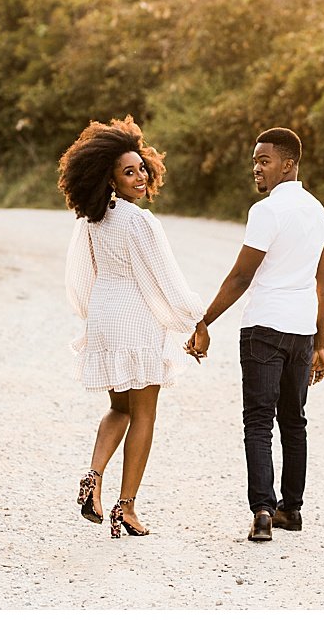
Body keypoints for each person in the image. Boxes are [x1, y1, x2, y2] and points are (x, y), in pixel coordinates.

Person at [60, 116, 207, 540]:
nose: (140, 176)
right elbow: (164, 277)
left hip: (105, 316)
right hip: (135, 319)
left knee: (119, 408)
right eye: (129, 172)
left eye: (140, 167)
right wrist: (194, 320)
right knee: (144, 414)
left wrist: (95, 318)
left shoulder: (93, 220)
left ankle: (94, 475)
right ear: (109, 178)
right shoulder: (139, 222)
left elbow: (82, 276)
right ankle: (126, 509)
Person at [185, 127, 324, 542]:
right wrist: (320, 342)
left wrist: (204, 322)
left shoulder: (266, 211)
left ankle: (264, 512)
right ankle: (293, 510)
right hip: (302, 331)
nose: (256, 169)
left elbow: (241, 277)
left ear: (288, 163)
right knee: (294, 422)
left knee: (258, 422)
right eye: (254, 162)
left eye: (264, 161)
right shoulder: (316, 210)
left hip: (264, 329)